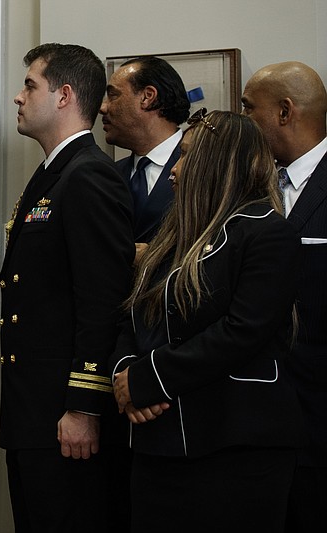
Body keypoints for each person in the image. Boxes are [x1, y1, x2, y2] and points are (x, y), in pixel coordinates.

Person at [110, 109, 305, 533]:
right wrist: (123, 373)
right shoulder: (172, 236)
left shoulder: (268, 233)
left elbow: (242, 331)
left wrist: (148, 379)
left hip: (235, 449)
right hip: (157, 445)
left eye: (186, 157)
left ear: (218, 164)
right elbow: (133, 317)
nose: (175, 171)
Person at [0, 43, 134, 532]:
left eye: (30, 85)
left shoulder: (89, 176)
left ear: (64, 95)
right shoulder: (55, 172)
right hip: (35, 411)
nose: (18, 96)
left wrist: (83, 405)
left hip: (64, 415)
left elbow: (103, 301)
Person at [242, 61, 327, 533]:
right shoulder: (252, 186)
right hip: (254, 432)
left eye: (248, 109)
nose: (243, 119)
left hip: (318, 430)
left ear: (284, 112)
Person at [99, 56, 190, 258]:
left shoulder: (202, 166)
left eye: (113, 96)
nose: (103, 108)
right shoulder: (110, 175)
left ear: (147, 97)